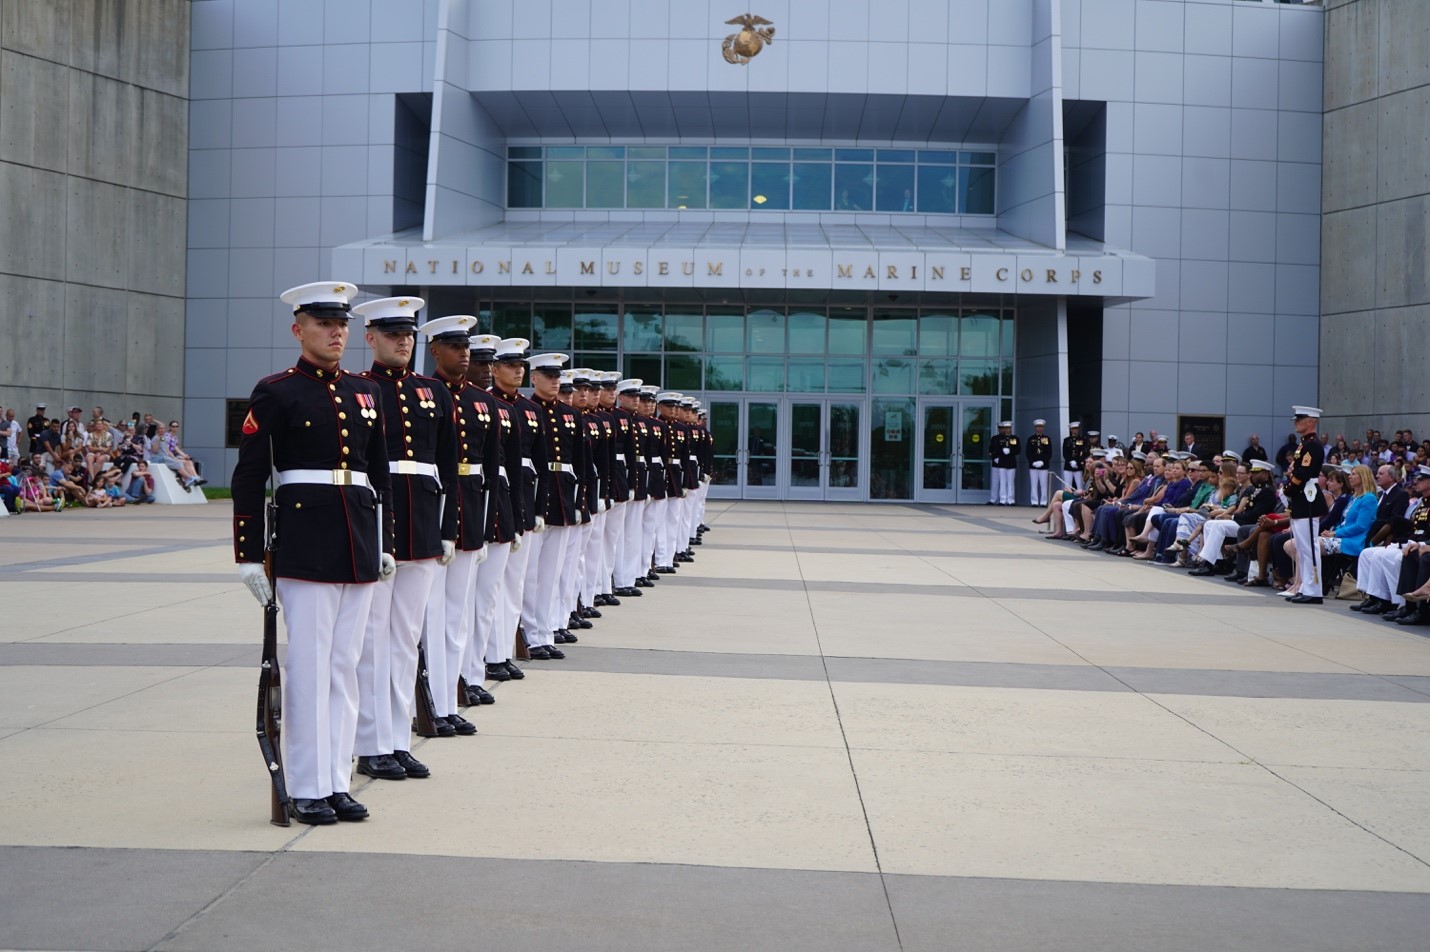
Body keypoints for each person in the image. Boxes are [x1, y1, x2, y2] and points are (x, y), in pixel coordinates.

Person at [231, 280, 397, 826]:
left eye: (342, 324)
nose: (336, 333)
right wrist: (249, 554)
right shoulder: (277, 391)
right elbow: (250, 475)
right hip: (304, 543)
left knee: (345, 666)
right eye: (325, 324)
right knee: (308, 665)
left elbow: (378, 473)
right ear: (298, 329)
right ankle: (303, 785)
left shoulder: (364, 392)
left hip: (356, 539)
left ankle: (335, 779)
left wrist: (385, 540)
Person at [349, 297, 459, 782]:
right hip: (379, 522)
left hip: (423, 524)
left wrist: (449, 528)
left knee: (404, 641)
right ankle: (371, 743)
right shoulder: (359, 389)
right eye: (393, 334)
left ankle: (396, 738)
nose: (403, 341)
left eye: (409, 334)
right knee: (372, 641)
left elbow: (450, 465)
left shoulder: (434, 391)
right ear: (370, 338)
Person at [418, 314, 495, 736]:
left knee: (458, 615)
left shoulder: (481, 401)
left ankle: (447, 701)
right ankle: (429, 703)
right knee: (431, 616)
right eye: (454, 347)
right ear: (435, 350)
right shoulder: (426, 393)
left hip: (468, 505)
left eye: (466, 347)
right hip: (434, 507)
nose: (464, 354)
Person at [486, 336, 539, 683]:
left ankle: (502, 650)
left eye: (521, 365)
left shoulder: (527, 408)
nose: (518, 370)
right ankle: (492, 654)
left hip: (518, 497)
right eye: (510, 365)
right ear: (493, 368)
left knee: (513, 583)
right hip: (494, 496)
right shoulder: (488, 403)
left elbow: (539, 462)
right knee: (491, 587)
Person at [1284, 406, 1329, 603]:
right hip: (1302, 497)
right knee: (1303, 547)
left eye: (1300, 419)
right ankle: (1306, 587)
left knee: (1309, 546)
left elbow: (1302, 474)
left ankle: (1313, 590)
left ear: (1311, 421)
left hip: (1307, 496)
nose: (1296, 422)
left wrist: (1288, 489)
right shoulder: (1304, 445)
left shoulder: (1312, 445)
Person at [989, 421, 1018, 505]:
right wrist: (1000, 453)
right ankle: (1002, 499)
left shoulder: (1014, 438)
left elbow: (1017, 449)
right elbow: (995, 449)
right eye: (1004, 428)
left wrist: (1010, 451)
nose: (1006, 430)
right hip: (1002, 462)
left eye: (1008, 428)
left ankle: (1011, 500)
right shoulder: (999, 439)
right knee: (1002, 482)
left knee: (1010, 482)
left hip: (1011, 463)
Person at [1025, 419, 1052, 507]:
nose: (1039, 428)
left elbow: (1049, 452)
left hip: (1043, 465)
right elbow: (1028, 452)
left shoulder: (1047, 438)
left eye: (1041, 426)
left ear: (1043, 428)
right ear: (1035, 427)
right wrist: (1033, 462)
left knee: (1043, 484)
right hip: (1033, 465)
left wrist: (1043, 461)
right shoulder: (1031, 439)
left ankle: (1043, 501)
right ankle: (1034, 501)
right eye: (1038, 426)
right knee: (1033, 484)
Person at [1062, 421, 1088, 491]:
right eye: (1073, 428)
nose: (1075, 430)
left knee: (1079, 485)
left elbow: (1084, 452)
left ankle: (1080, 499)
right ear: (1071, 430)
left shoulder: (1083, 440)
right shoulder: (1066, 440)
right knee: (1067, 485)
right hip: (1068, 465)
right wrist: (1071, 461)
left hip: (1078, 466)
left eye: (1076, 428)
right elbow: (1065, 453)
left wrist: (1077, 461)